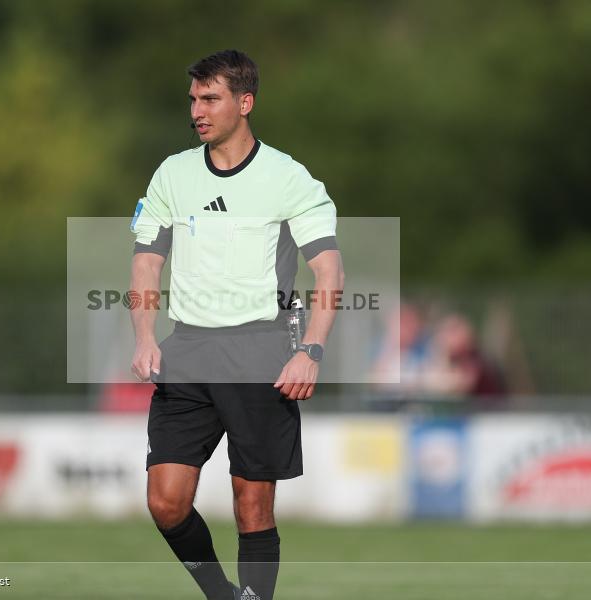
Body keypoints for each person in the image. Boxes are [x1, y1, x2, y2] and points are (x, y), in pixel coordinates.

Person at [129, 50, 344, 600]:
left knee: (252, 505)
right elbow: (147, 260)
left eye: (210, 99)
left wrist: (311, 350)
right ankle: (222, 595)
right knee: (165, 501)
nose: (197, 111)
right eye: (194, 100)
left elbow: (329, 270)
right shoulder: (172, 174)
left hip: (260, 350)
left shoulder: (289, 178)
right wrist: (145, 336)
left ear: (244, 103)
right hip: (189, 351)